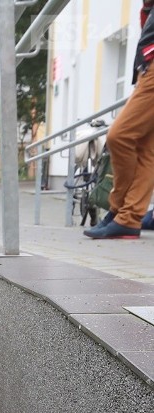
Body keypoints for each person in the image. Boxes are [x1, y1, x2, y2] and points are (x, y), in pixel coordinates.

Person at [84, 0, 154, 239]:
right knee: (146, 149)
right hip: (147, 67)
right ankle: (129, 218)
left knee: (119, 136)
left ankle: (117, 209)